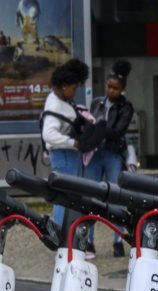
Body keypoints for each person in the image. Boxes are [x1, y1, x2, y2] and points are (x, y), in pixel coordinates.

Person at [84, 60, 135, 257]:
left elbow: (118, 131)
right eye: (109, 86)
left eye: (116, 88)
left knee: (115, 197)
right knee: (90, 195)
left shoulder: (125, 107)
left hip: (113, 153)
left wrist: (101, 128)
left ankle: (118, 240)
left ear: (122, 89)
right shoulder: (97, 102)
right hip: (95, 154)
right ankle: (88, 241)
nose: (111, 91)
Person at [41, 59, 94, 234]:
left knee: (69, 197)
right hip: (64, 155)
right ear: (64, 86)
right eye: (73, 88)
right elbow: (48, 134)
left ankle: (67, 236)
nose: (75, 91)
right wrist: (73, 142)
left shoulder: (57, 98)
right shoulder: (55, 104)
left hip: (68, 155)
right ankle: (62, 236)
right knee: (65, 198)